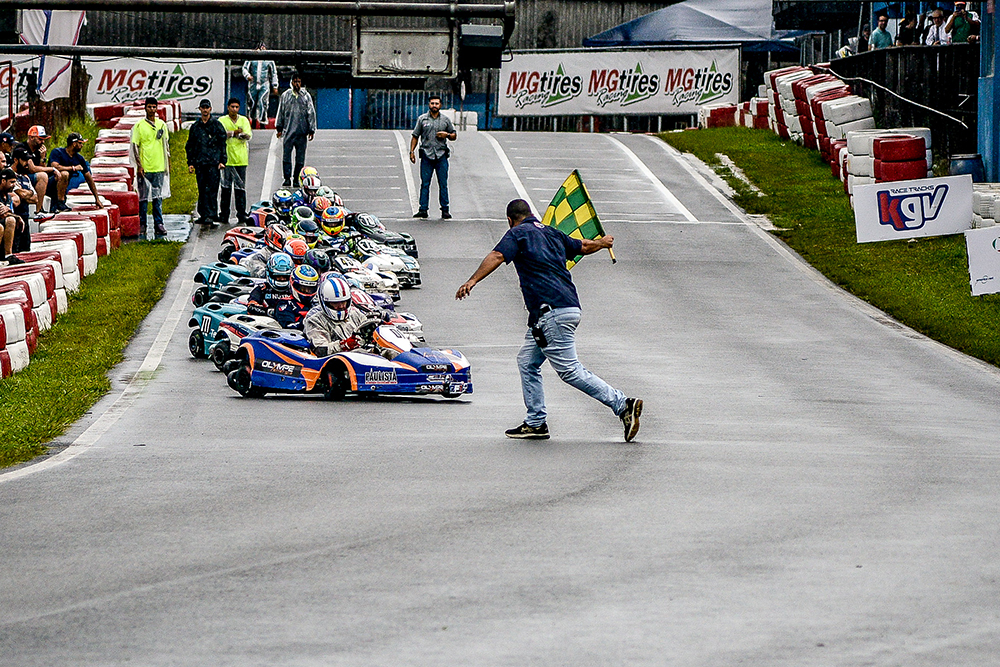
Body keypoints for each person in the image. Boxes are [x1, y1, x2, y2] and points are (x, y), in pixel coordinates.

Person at [455, 198, 643, 442]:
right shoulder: (552, 233)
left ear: (510, 220)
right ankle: (535, 422)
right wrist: (601, 243)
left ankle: (622, 404)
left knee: (569, 371)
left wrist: (472, 281)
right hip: (562, 309)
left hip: (551, 312)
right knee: (527, 361)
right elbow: (583, 246)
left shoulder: (518, 233)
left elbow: (498, 255)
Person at [303, 273, 378, 356]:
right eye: (336, 303)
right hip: (337, 361)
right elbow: (320, 350)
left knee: (390, 351)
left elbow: (370, 334)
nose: (341, 306)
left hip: (365, 355)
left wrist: (380, 330)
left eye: (344, 302)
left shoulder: (356, 314)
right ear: (325, 302)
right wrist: (343, 345)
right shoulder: (315, 321)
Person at [409, 95, 456, 219]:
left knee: (443, 183)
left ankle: (445, 209)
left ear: (440, 105)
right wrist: (411, 152)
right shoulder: (422, 119)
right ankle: (423, 209)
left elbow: (454, 135)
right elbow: (415, 135)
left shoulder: (445, 120)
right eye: (432, 103)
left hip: (441, 155)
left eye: (436, 103)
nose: (434, 106)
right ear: (428, 105)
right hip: (426, 155)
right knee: (425, 183)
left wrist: (446, 135)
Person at [130, 96, 171, 239]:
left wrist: (168, 165)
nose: (152, 109)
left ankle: (158, 224)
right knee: (143, 198)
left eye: (154, 107)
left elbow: (166, 146)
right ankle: (142, 224)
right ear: (145, 108)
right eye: (149, 107)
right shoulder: (139, 126)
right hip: (146, 168)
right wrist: (139, 166)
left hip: (159, 166)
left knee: (157, 198)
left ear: (157, 108)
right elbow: (135, 146)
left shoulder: (162, 125)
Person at [185, 98, 228, 227]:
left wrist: (222, 160)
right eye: (202, 108)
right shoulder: (195, 127)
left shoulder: (216, 125)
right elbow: (190, 145)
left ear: (210, 109)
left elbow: (222, 144)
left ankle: (211, 214)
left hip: (213, 163)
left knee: (212, 189)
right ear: (200, 109)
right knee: (202, 189)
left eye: (206, 108)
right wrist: (190, 163)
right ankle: (203, 214)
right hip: (200, 163)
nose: (204, 110)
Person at [275, 72, 316, 188]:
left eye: (299, 82)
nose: (297, 84)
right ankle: (287, 178)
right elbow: (281, 112)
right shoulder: (285, 96)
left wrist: (311, 129)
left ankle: (297, 179)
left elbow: (311, 113)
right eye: (295, 81)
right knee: (286, 156)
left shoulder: (306, 96)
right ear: (292, 82)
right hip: (288, 131)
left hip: (301, 132)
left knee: (300, 158)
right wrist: (279, 127)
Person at [218, 97, 253, 225]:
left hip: (240, 160)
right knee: (225, 188)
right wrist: (234, 133)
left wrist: (240, 134)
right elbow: (220, 134)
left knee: (240, 189)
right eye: (232, 107)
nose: (234, 109)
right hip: (226, 159)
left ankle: (241, 213)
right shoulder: (222, 120)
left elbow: (248, 135)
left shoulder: (243, 120)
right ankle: (224, 214)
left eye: (236, 107)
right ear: (228, 107)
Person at [48, 132, 103, 211]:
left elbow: (89, 178)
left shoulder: (79, 158)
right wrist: (73, 168)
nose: (82, 145)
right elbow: (54, 167)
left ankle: (60, 202)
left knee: (65, 175)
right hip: (50, 182)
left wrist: (97, 198)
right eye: (80, 143)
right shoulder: (57, 152)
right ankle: (60, 202)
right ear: (74, 144)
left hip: (63, 187)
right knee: (64, 174)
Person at [15, 125, 54, 210]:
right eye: (40, 139)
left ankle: (42, 207)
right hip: (20, 176)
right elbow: (32, 168)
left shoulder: (40, 150)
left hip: (30, 177)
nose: (43, 142)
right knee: (42, 176)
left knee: (45, 176)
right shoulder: (22, 148)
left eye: (43, 139)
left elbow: (42, 169)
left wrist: (42, 158)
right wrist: (53, 169)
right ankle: (38, 210)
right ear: (32, 137)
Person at [242, 43, 278, 130]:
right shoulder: (251, 57)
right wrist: (248, 76)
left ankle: (262, 122)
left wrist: (275, 85)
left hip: (264, 83)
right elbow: (244, 68)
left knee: (263, 102)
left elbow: (273, 73)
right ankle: (253, 121)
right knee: (252, 103)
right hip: (253, 83)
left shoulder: (269, 59)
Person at [9, 147, 36, 252]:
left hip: (25, 218)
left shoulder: (26, 177)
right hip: (15, 218)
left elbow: (36, 199)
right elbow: (21, 195)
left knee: (26, 250)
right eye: (24, 160)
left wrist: (25, 193)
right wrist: (27, 193)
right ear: (16, 160)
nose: (27, 163)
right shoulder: (9, 175)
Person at [0, 168, 26, 264]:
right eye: (11, 182)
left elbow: (6, 213)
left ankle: (8, 255)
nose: (13, 185)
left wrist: (17, 216)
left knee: (12, 220)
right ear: (3, 181)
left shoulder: (8, 196)